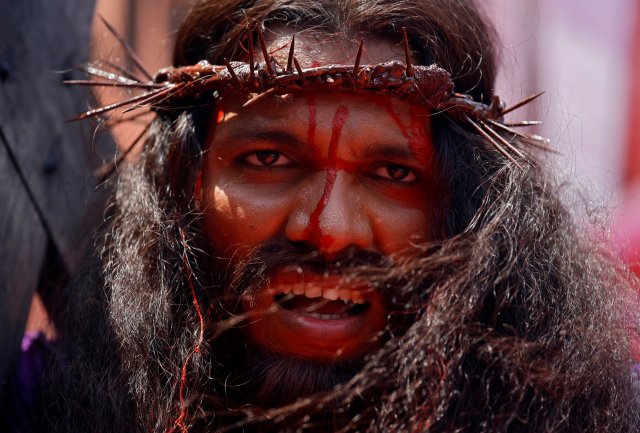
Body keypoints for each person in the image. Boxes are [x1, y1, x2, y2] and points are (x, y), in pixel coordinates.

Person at [36, 0, 640, 432]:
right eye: (269, 159)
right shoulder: (43, 402)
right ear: (184, 181)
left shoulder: (603, 414)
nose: (328, 229)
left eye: (393, 174)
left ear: (471, 209)